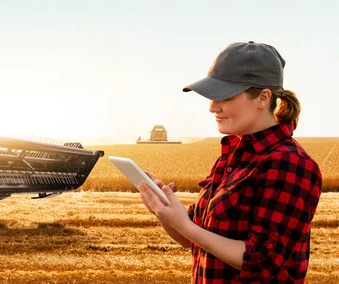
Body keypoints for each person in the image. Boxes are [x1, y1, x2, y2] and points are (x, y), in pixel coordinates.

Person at [137, 41, 323, 283]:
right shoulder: (233, 156)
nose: (212, 107)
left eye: (223, 96)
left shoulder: (290, 163)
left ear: (263, 98)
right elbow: (192, 238)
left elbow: (262, 261)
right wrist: (163, 211)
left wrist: (187, 225)